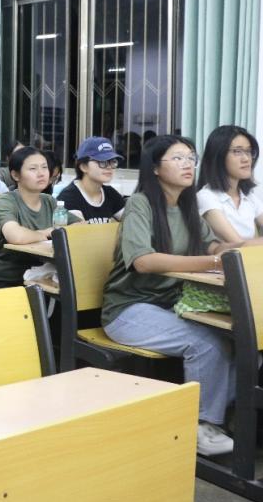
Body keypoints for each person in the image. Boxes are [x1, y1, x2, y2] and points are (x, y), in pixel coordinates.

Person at [101, 135, 235, 456]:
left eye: (190, 158)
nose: (188, 164)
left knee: (237, 337)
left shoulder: (186, 206)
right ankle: (200, 425)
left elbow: (212, 246)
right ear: (155, 168)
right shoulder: (141, 204)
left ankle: (224, 418)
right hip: (128, 309)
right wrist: (213, 262)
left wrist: (238, 249)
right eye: (177, 158)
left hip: (172, 305)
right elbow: (143, 261)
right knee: (206, 343)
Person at [0, 147, 81, 291]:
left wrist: (54, 232)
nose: (41, 173)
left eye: (44, 167)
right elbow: (16, 236)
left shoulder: (49, 201)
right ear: (16, 175)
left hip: (33, 278)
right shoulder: (6, 201)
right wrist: (50, 232)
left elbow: (80, 226)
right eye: (33, 169)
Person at [196, 125, 263, 245]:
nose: (246, 159)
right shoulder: (206, 197)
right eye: (237, 151)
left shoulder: (248, 196)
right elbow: (238, 244)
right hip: (228, 257)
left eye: (248, 151)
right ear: (218, 156)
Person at [58, 136, 127, 222]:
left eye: (113, 162)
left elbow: (131, 220)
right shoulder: (69, 197)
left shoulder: (110, 193)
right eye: (102, 162)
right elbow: (80, 229)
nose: (109, 167)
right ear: (83, 167)